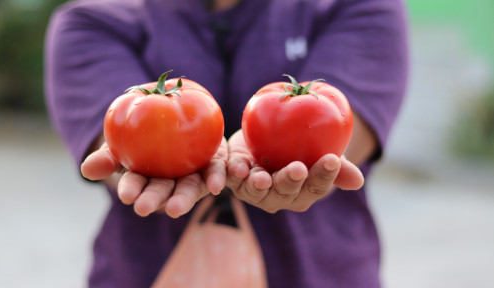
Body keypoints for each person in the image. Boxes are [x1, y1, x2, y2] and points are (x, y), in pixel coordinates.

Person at [45, 0, 408, 287]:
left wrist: (309, 164)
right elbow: (113, 143)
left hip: (322, 275)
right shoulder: (89, 22)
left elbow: (343, 141)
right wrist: (137, 165)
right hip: (143, 274)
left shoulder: (356, 5)